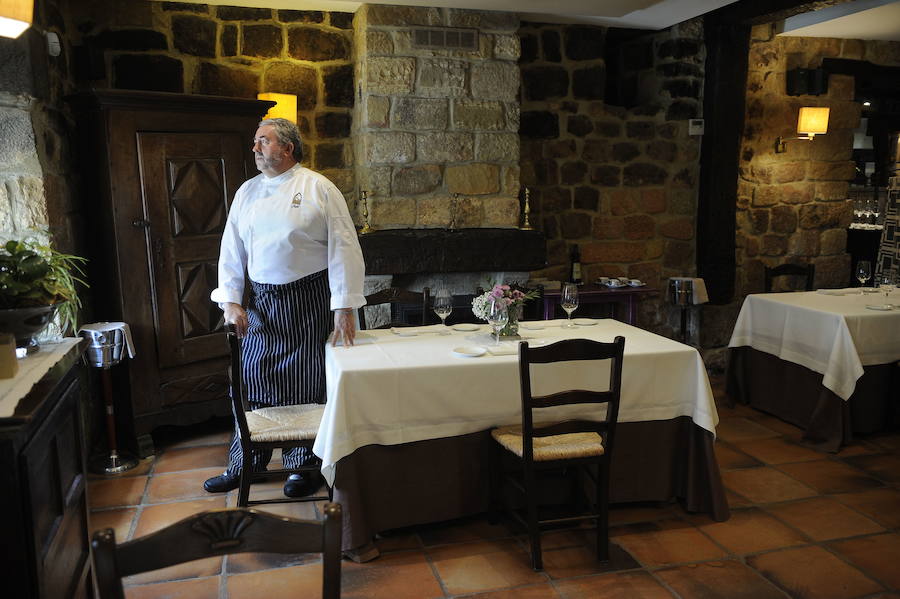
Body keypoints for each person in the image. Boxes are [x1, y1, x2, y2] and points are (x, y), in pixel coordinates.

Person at [204, 117, 365, 498]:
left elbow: (344, 248)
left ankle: (303, 468)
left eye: (263, 141)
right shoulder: (247, 192)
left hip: (309, 301)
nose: (255, 148)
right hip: (261, 303)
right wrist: (230, 301)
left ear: (287, 148)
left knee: (308, 384)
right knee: (252, 379)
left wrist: (343, 307)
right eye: (256, 141)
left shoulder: (319, 188)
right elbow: (231, 249)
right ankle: (244, 464)